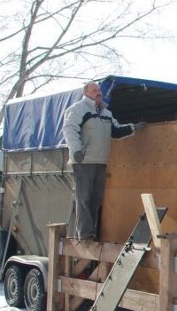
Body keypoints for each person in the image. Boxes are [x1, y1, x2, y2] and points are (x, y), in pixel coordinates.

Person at [63, 81, 147, 241]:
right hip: (84, 161)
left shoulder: (106, 113)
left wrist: (133, 127)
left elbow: (115, 130)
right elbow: (69, 129)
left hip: (101, 161)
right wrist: (75, 150)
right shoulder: (78, 109)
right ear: (86, 93)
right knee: (84, 198)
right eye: (94, 90)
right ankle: (84, 234)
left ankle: (91, 231)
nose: (98, 92)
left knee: (96, 199)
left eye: (99, 90)